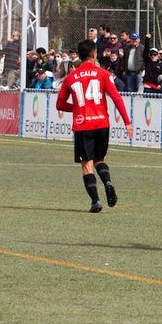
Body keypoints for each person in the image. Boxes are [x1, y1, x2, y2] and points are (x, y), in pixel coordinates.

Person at [55, 39, 134, 212]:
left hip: (83, 124)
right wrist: (127, 122)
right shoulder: (103, 74)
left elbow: (60, 105)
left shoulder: (71, 78)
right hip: (101, 123)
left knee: (86, 164)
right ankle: (107, 181)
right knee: (99, 160)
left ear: (80, 55)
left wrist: (76, 107)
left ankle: (96, 201)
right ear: (93, 54)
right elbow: (116, 98)